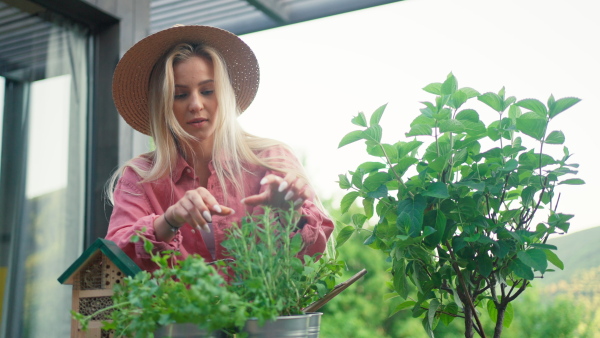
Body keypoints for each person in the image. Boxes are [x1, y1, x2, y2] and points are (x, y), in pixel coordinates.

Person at [105, 25, 334, 272]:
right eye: (179, 95)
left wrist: (291, 213)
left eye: (207, 91)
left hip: (266, 313)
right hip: (178, 312)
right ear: (162, 104)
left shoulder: (271, 159)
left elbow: (313, 254)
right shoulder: (140, 178)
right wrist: (169, 220)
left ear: (224, 94)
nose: (196, 104)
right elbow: (115, 258)